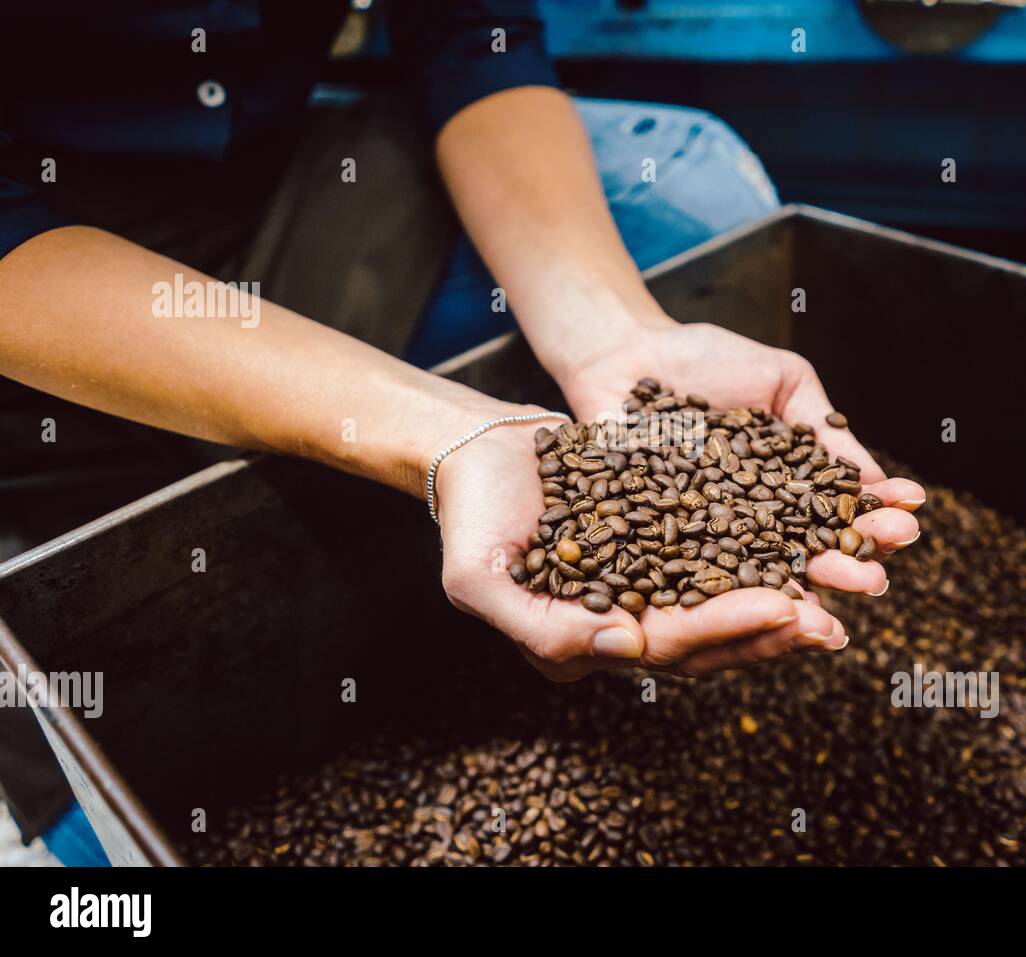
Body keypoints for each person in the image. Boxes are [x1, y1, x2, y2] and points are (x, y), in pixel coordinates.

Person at [0, 1, 924, 865]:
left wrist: (609, 332)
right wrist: (435, 432)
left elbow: (467, 31)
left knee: (692, 191)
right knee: (104, 806)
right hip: (33, 289)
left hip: (272, 193)